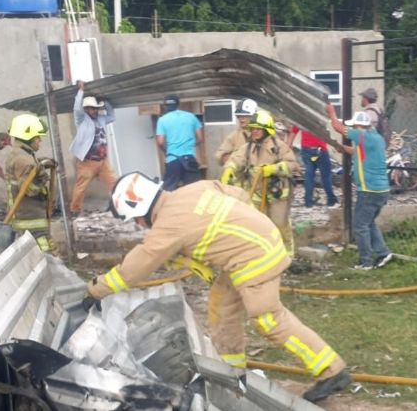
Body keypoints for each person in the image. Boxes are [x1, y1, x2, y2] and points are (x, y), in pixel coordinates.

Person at [83, 173, 352, 403]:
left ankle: (331, 370)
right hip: (256, 245)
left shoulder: (168, 226)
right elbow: (239, 195)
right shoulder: (193, 190)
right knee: (222, 308)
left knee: (268, 318)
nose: (137, 225)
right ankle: (232, 375)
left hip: (253, 258)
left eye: (134, 220)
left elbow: (133, 269)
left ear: (140, 210)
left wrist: (95, 290)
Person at [221, 110, 298, 255]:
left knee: (279, 224)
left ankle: (286, 254)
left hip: (277, 193)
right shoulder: (248, 147)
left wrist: (274, 169)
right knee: (257, 225)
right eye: (253, 128)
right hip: (256, 191)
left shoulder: (279, 146)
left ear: (266, 129)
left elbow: (293, 165)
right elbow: (235, 159)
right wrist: (229, 168)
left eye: (258, 128)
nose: (255, 132)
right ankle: (263, 254)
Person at [326, 107, 394, 271]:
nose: (353, 128)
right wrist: (343, 149)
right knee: (369, 223)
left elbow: (338, 127)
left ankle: (366, 262)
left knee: (360, 226)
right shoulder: (375, 138)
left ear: (359, 125)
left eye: (354, 125)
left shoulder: (362, 135)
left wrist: (331, 113)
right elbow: (358, 152)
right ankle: (383, 253)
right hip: (381, 191)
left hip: (369, 191)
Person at [5, 114, 57, 252]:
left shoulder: (21, 154)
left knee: (36, 254)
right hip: (29, 217)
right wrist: (42, 177)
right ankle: (53, 272)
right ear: (27, 136)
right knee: (47, 254)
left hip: (25, 215)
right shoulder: (24, 160)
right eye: (37, 137)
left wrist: (39, 164)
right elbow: (29, 190)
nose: (40, 140)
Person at [69, 81, 117, 217]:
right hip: (87, 161)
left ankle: (115, 206)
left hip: (102, 161)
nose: (95, 111)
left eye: (96, 108)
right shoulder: (82, 120)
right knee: (81, 187)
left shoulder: (101, 119)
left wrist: (105, 102)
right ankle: (75, 210)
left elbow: (112, 116)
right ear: (86, 109)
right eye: (92, 108)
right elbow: (76, 109)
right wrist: (80, 92)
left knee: (114, 183)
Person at [156, 94, 203, 191]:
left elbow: (160, 142)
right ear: (178, 104)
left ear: (165, 106)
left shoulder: (162, 120)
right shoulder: (191, 116)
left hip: (173, 159)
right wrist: (191, 145)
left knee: (168, 191)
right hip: (190, 159)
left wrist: (167, 152)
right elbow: (200, 138)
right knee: (195, 190)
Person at [287, 125, 338, 208]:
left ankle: (308, 202)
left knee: (309, 175)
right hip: (321, 149)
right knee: (326, 176)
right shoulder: (317, 116)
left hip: (307, 149)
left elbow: (293, 131)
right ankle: (331, 201)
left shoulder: (301, 117)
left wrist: (288, 148)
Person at [215, 99, 256, 166]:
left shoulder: (263, 134)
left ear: (253, 116)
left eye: (244, 115)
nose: (241, 119)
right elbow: (220, 154)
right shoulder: (234, 136)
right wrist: (227, 158)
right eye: (238, 116)